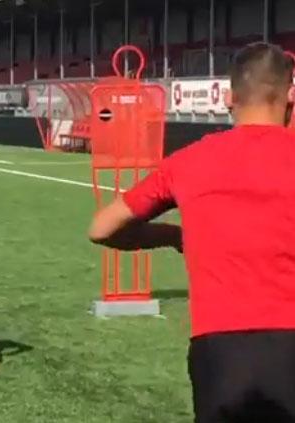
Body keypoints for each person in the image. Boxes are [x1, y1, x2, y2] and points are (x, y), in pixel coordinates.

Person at [88, 42, 295, 422]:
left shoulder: (189, 161)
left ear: (229, 97)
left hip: (219, 351)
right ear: (289, 95)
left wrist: (171, 236)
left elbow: (102, 228)